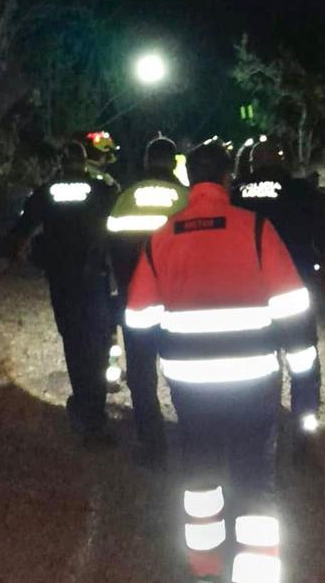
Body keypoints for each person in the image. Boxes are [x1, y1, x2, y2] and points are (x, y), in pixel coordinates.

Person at [126, 140, 314, 583]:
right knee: (254, 481)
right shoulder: (256, 229)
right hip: (254, 383)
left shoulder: (162, 237)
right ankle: (256, 573)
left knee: (200, 478)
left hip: (191, 387)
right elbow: (293, 311)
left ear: (189, 180)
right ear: (228, 180)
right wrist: (305, 391)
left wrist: (144, 391)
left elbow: (138, 320)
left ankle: (205, 566)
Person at [231, 139, 325, 435]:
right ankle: (305, 419)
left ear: (252, 165)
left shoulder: (235, 194)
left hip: (249, 295)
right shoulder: (300, 192)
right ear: (282, 162)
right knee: (302, 357)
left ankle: (261, 415)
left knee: (257, 357)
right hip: (294, 290)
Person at [2, 137, 119, 447]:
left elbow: (21, 230)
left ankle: (85, 406)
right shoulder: (102, 191)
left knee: (75, 343)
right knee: (97, 343)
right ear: (84, 164)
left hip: (62, 281)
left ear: (60, 163)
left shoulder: (47, 192)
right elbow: (118, 232)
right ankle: (94, 410)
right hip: (94, 279)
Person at [107, 136, 188, 461]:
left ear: (146, 161)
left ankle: (152, 444)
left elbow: (110, 249)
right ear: (173, 162)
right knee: (183, 368)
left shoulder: (126, 198)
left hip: (136, 299)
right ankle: (191, 434)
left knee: (141, 374)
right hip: (179, 302)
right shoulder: (187, 199)